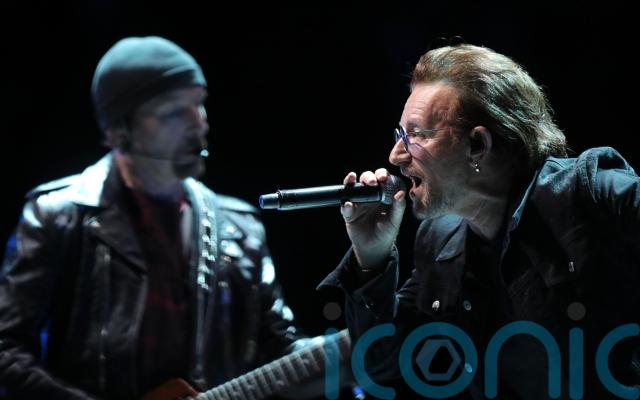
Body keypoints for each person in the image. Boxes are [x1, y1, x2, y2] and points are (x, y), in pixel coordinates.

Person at [0, 36, 332, 399]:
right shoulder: (58, 216)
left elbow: (279, 352)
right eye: (174, 111)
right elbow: (6, 351)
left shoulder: (238, 228)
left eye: (199, 104)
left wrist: (352, 349)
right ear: (118, 130)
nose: (199, 123)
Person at [319, 43, 640, 399]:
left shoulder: (590, 194)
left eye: (416, 135)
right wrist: (371, 258)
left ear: (477, 145)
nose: (396, 155)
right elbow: (381, 364)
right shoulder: (439, 241)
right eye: (399, 135)